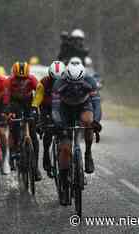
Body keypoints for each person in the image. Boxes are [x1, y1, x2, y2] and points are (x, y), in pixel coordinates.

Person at [52, 63, 101, 204]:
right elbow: (55, 108)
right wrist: (59, 124)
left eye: (77, 83)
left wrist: (96, 121)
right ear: (66, 78)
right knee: (65, 148)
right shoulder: (58, 83)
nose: (74, 86)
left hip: (83, 105)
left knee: (89, 122)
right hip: (64, 109)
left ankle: (88, 153)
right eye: (71, 83)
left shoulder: (90, 81)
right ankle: (63, 180)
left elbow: (97, 104)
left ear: (83, 77)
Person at [5, 62, 42, 181]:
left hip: (28, 103)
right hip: (14, 103)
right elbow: (6, 96)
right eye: (18, 79)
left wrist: (35, 106)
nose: (21, 81)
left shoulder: (31, 79)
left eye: (23, 79)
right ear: (14, 75)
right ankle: (12, 153)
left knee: (33, 135)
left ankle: (35, 167)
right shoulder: (9, 81)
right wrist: (8, 112)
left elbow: (40, 90)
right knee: (14, 128)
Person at [32, 61, 66, 177]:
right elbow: (38, 97)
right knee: (48, 132)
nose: (56, 82)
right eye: (53, 79)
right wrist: (35, 108)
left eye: (59, 79)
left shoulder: (66, 82)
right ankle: (46, 156)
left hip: (61, 107)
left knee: (64, 132)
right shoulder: (43, 82)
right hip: (46, 108)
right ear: (50, 75)